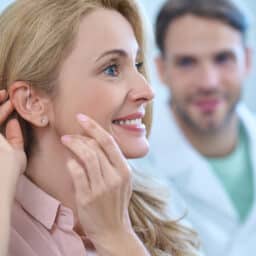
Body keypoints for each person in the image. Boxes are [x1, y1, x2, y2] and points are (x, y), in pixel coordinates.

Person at [0, 0, 200, 255]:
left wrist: (118, 236)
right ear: (32, 102)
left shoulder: (156, 211)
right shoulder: (8, 229)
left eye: (137, 65)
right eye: (112, 68)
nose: (147, 91)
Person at [133, 0, 255, 255]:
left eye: (223, 58)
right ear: (162, 70)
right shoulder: (135, 168)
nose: (208, 82)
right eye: (187, 62)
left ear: (246, 61)